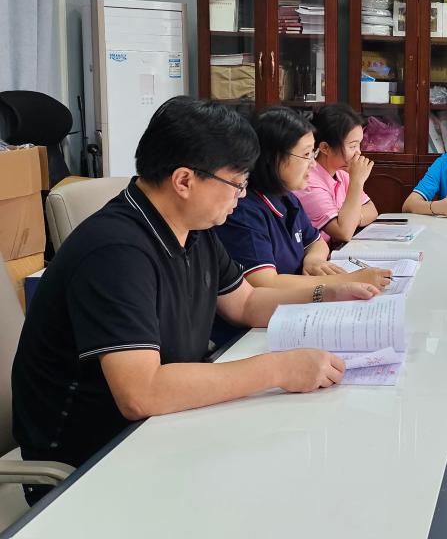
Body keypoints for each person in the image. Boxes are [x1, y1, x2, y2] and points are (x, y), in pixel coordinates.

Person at [11, 98, 384, 502]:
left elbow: (244, 304)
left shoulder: (195, 228)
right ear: (184, 181)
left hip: (165, 430)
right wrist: (279, 368)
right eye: (236, 183)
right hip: (96, 463)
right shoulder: (116, 251)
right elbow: (141, 392)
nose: (242, 195)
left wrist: (327, 294)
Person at [215, 107, 391, 290]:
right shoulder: (245, 211)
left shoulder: (287, 198)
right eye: (306, 155)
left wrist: (314, 260)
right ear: (273, 157)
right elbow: (265, 283)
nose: (313, 164)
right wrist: (347, 280)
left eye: (312, 154)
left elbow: (317, 243)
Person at [294, 104, 378, 246]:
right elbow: (344, 232)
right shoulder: (309, 182)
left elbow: (372, 210)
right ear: (325, 148)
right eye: (352, 146)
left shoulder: (341, 173)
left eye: (359, 144)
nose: (359, 152)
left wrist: (351, 218)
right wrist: (357, 182)